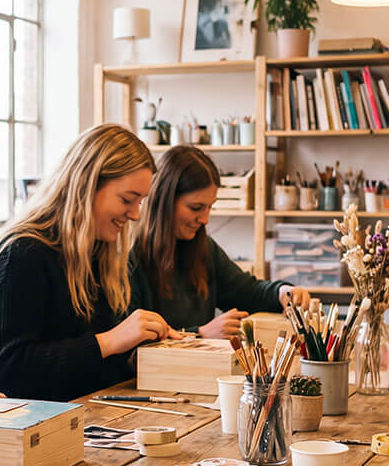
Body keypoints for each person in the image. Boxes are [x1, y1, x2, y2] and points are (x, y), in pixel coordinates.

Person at [0, 124, 171, 401]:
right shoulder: (20, 255)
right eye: (127, 199)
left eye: (140, 202)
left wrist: (139, 348)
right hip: (9, 430)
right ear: (86, 185)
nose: (135, 215)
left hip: (75, 418)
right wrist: (109, 341)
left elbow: (88, 367)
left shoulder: (94, 251)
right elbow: (9, 373)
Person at [129, 145, 309, 338]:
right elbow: (133, 344)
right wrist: (198, 333)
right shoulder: (132, 257)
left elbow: (246, 291)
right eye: (196, 207)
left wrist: (282, 292)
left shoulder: (204, 248)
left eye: (209, 207)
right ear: (165, 201)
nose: (205, 219)